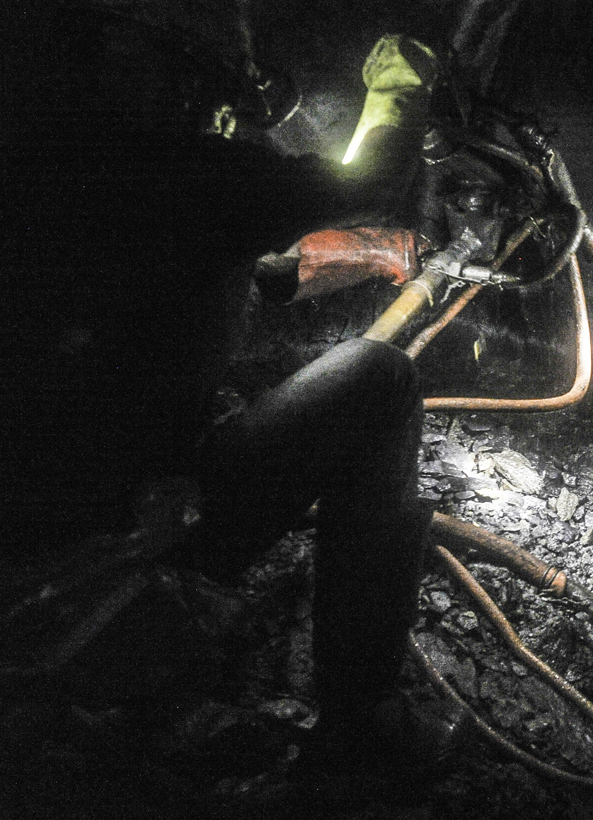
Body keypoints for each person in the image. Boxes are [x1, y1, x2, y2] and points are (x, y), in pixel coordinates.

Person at [0, 6, 462, 785]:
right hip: (88, 563)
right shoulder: (180, 173)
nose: (225, 113)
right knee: (378, 379)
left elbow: (180, 267)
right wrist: (400, 79)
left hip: (33, 508)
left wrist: (315, 260)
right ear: (166, 76)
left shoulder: (41, 153)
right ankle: (365, 726)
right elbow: (369, 178)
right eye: (215, 92)